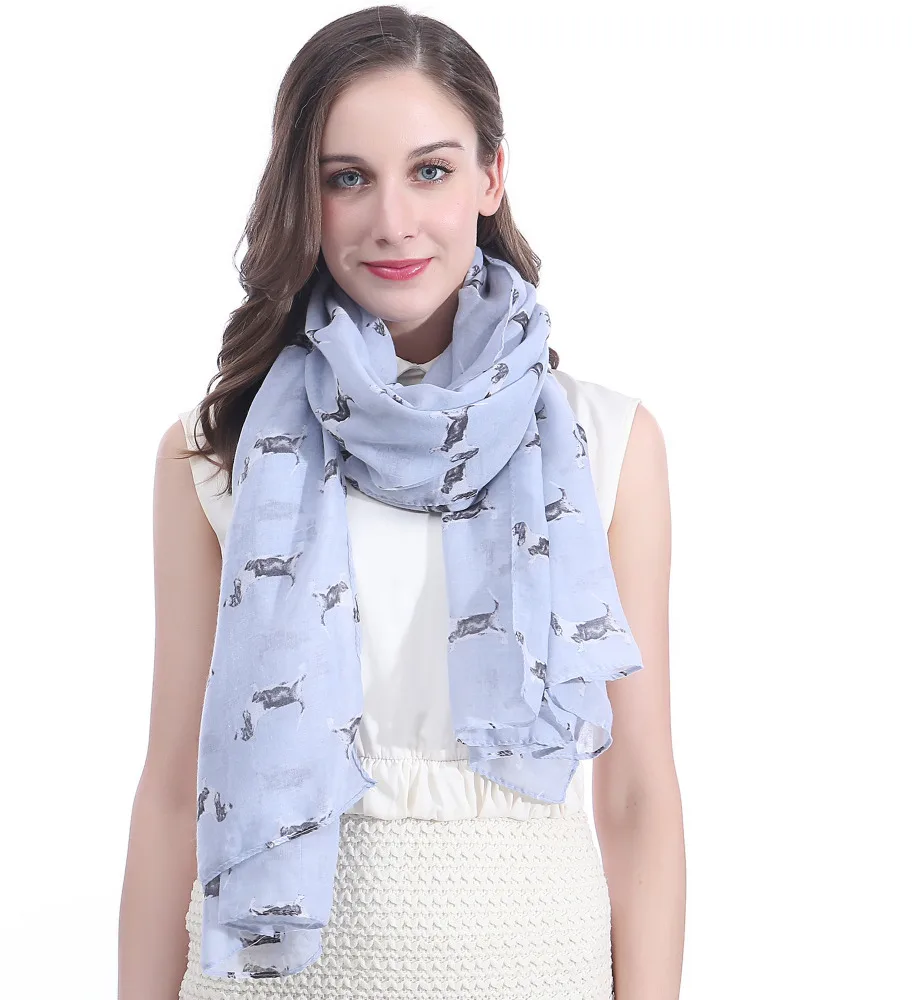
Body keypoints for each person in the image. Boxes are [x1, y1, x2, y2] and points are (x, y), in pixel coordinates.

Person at [118, 6, 685, 999]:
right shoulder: (212, 454)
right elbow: (173, 791)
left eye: (429, 170)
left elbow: (637, 793)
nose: (392, 220)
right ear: (304, 196)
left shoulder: (606, 444)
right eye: (347, 177)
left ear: (490, 178)